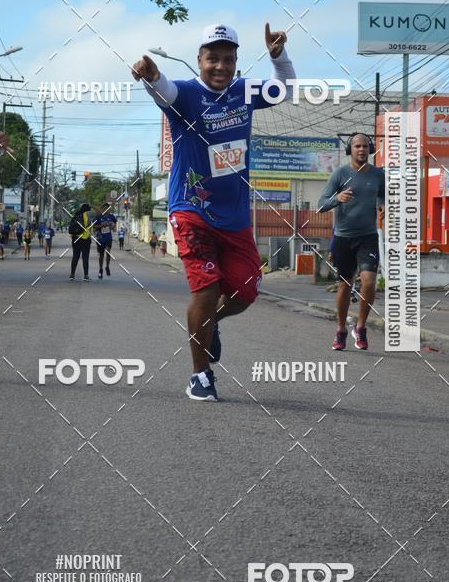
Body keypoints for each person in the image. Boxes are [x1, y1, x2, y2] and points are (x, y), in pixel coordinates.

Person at [132, 21, 295, 402]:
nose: (220, 67)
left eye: (228, 59)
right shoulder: (186, 94)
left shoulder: (245, 91)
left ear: (236, 61)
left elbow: (284, 88)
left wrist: (278, 55)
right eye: (212, 59)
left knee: (244, 292)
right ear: (199, 60)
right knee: (205, 289)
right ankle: (200, 374)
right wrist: (151, 75)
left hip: (235, 215)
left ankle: (210, 325)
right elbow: (164, 89)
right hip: (191, 209)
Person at [317, 132, 385, 351]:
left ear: (370, 149)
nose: (362, 150)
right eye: (357, 146)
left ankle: (361, 327)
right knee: (345, 285)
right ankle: (341, 330)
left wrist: (382, 204)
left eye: (365, 146)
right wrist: (336, 199)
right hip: (344, 238)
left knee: (368, 281)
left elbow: (382, 194)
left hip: (368, 237)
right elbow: (321, 205)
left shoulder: (378, 174)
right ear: (350, 149)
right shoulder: (339, 174)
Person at [92, 203, 116, 278]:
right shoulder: (98, 217)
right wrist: (102, 226)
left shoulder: (111, 217)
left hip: (108, 237)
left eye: (108, 209)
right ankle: (100, 269)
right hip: (100, 238)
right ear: (102, 209)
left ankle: (107, 267)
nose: (107, 210)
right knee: (101, 255)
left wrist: (112, 226)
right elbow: (94, 226)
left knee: (108, 252)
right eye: (105, 209)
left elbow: (114, 227)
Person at [68, 203, 92, 280]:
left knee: (75, 256)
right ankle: (86, 275)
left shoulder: (75, 215)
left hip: (75, 238)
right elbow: (90, 225)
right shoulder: (88, 215)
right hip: (85, 239)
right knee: (85, 257)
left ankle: (72, 275)